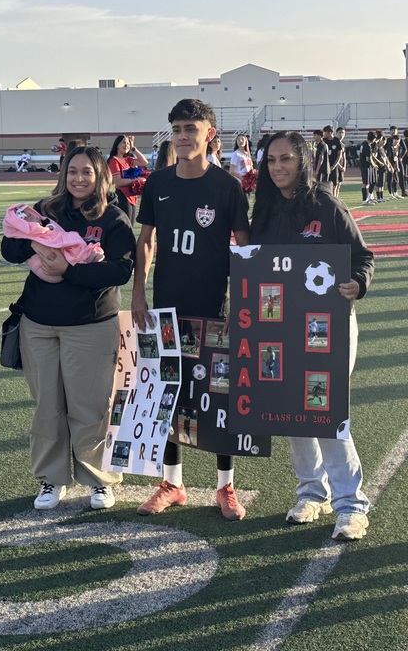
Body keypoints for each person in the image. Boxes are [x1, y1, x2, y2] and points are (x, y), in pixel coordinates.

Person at [250, 130, 374, 541]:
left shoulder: (327, 205)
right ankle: (311, 491)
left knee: (325, 410)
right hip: (280, 327)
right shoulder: (264, 210)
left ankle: (352, 504)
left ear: (302, 161)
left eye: (286, 158)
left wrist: (358, 282)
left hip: (328, 326)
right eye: (271, 160)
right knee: (292, 409)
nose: (278, 167)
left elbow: (362, 257)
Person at [131, 98, 251, 520]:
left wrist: (245, 304)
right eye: (177, 129)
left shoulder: (227, 187)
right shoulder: (158, 182)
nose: (183, 137)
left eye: (191, 129)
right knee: (166, 396)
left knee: (216, 397)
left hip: (213, 309)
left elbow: (244, 248)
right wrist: (138, 293)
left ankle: (225, 486)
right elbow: (146, 241)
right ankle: (172, 483)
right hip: (165, 309)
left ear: (209, 134)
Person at [2, 146, 135, 511]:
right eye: (72, 171)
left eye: (87, 172)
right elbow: (9, 250)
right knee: (47, 406)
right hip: (39, 324)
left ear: (100, 177)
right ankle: (50, 478)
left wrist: (68, 270)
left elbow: (121, 270)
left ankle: (99, 480)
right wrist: (32, 238)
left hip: (91, 326)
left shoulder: (113, 219)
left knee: (89, 406)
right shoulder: (45, 210)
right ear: (64, 174)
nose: (78, 179)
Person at [108, 134, 149, 223]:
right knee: (125, 226)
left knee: (131, 225)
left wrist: (133, 148)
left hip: (132, 197)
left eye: (128, 143)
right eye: (123, 143)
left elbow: (144, 162)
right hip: (122, 196)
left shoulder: (128, 159)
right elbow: (118, 182)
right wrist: (136, 180)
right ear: (117, 145)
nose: (126, 145)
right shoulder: (114, 160)